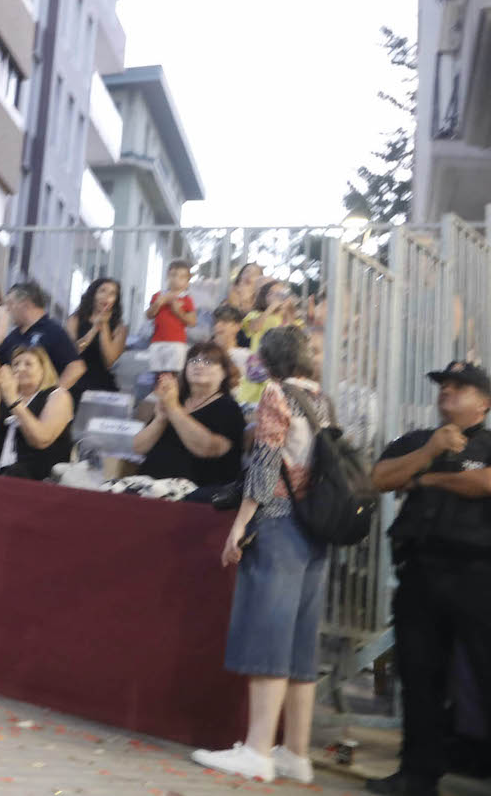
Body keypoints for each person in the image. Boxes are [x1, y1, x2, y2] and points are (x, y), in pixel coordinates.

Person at [191, 326, 332, 785]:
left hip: (279, 521)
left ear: (268, 359)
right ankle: (296, 753)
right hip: (316, 528)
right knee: (299, 641)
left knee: (267, 632)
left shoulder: (276, 392)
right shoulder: (321, 397)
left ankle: (256, 750)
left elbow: (266, 462)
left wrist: (240, 524)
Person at [364, 360, 491, 796]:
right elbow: (379, 478)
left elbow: (486, 483)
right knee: (419, 678)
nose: (447, 393)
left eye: (460, 388)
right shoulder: (419, 440)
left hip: (477, 576)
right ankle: (417, 775)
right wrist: (428, 453)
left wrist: (427, 479)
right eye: (443, 386)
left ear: (484, 403)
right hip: (418, 572)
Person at [131, 342, 245, 491]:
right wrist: (161, 418)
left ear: (224, 373)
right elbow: (138, 447)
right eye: (194, 361)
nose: (199, 365)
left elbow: (208, 448)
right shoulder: (175, 401)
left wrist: (173, 409)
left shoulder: (228, 408)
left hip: (194, 492)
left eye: (208, 361)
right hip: (148, 484)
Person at [0, 344, 75, 480]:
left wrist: (14, 402)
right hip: (0, 462)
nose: (20, 368)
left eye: (28, 364)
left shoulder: (58, 396)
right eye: (16, 364)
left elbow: (41, 440)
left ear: (44, 370)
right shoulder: (6, 397)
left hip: (40, 469)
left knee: (12, 474)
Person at [0, 281, 84, 396]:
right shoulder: (12, 337)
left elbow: (76, 367)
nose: (7, 309)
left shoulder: (53, 330)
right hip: (15, 402)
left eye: (10, 303)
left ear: (25, 304)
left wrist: (49, 397)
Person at [66, 277, 124, 400]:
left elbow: (109, 361)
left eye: (112, 293)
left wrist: (104, 326)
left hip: (101, 382)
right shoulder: (75, 320)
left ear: (115, 300)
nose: (106, 296)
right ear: (93, 295)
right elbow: (72, 353)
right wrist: (93, 329)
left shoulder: (120, 328)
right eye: (102, 291)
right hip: (75, 379)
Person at [147, 259, 199, 344]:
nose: (176, 279)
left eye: (182, 277)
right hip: (157, 342)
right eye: (173, 275)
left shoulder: (187, 299)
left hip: (178, 343)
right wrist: (157, 304)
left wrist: (178, 311)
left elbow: (193, 322)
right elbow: (148, 316)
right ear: (168, 275)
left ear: (187, 281)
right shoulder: (158, 296)